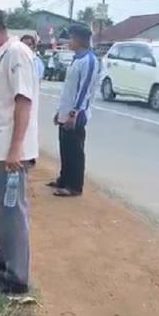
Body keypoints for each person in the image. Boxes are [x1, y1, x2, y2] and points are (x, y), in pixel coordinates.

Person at [0, 8, 39, 294]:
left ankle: (17, 277)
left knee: (13, 211)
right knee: (2, 210)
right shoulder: (3, 59)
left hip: (9, 153)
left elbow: (23, 102)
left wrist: (15, 149)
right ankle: (3, 259)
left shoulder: (16, 54)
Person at [48, 25, 99, 197]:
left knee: (75, 150)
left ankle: (74, 186)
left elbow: (84, 90)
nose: (69, 42)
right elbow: (68, 89)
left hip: (77, 114)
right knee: (65, 147)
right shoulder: (76, 59)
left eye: (71, 39)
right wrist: (60, 111)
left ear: (79, 40)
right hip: (66, 111)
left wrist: (74, 113)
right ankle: (64, 179)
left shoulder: (89, 61)